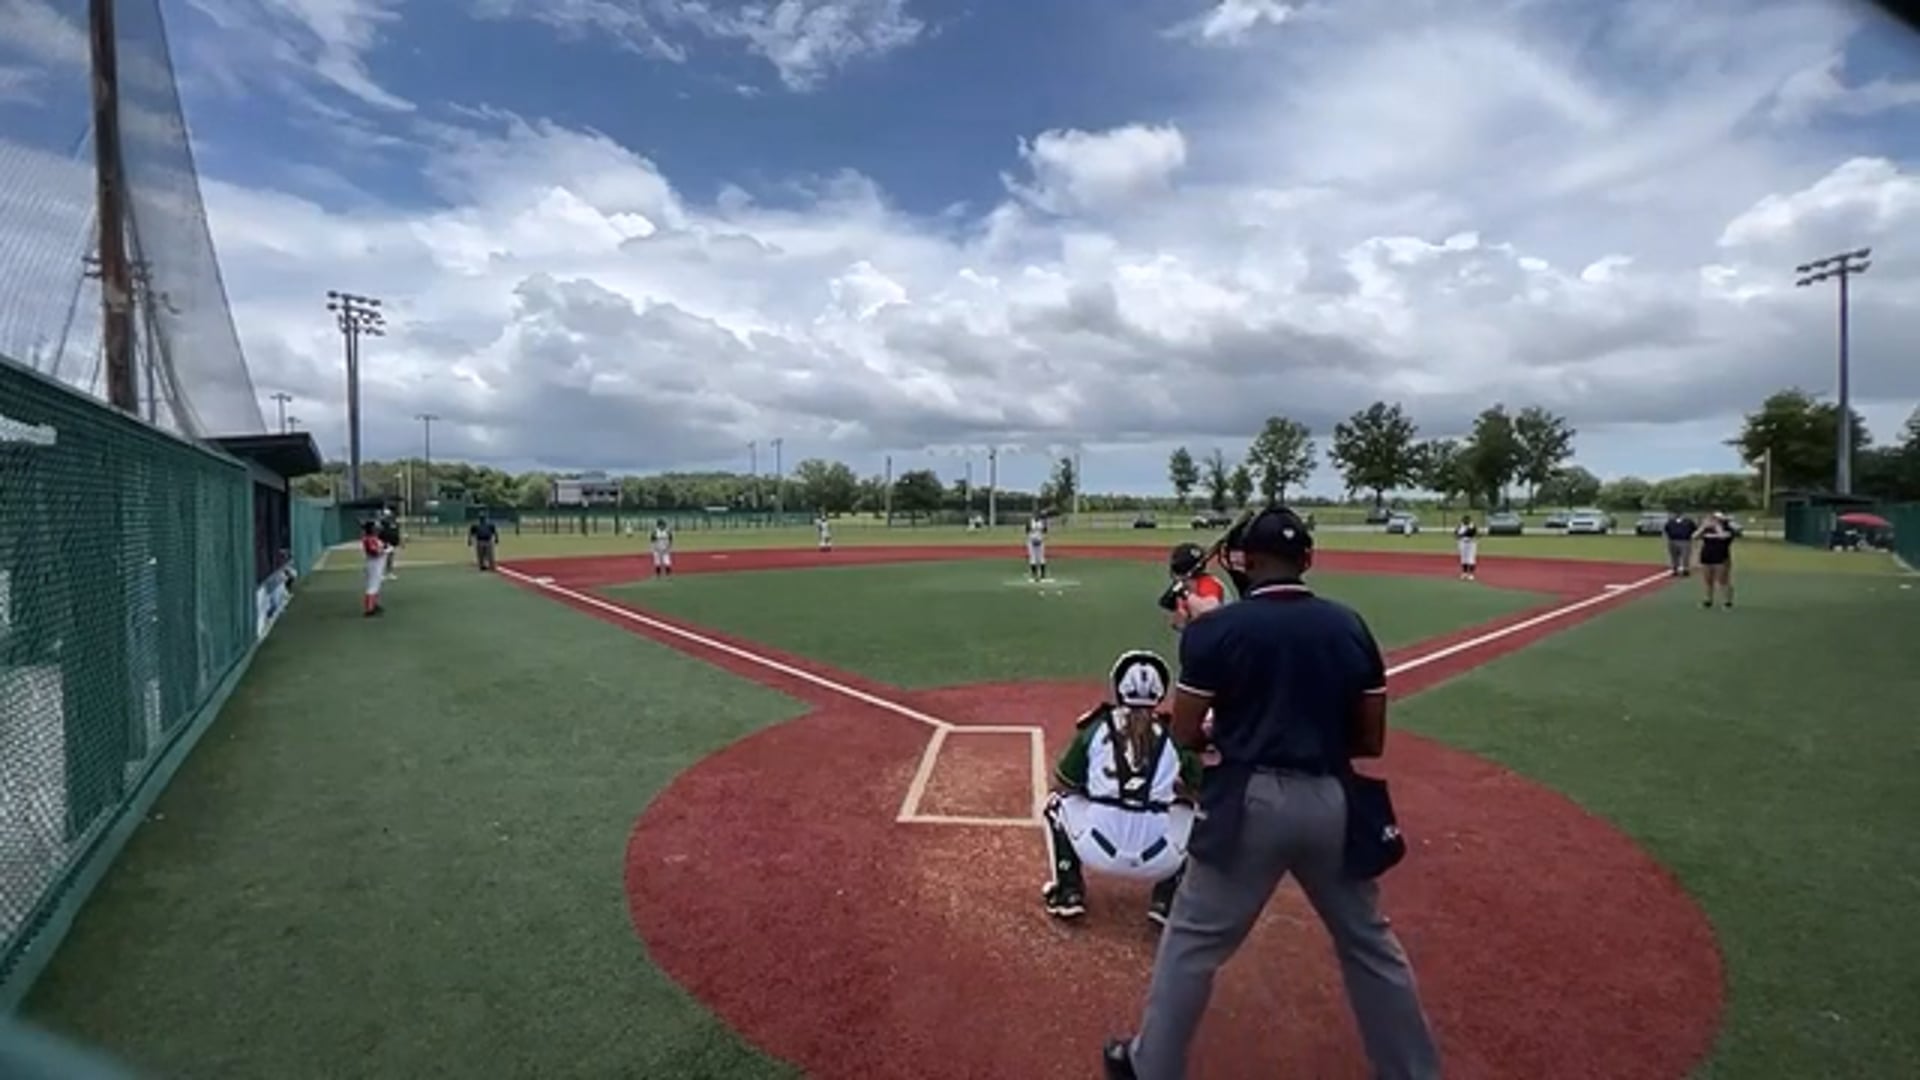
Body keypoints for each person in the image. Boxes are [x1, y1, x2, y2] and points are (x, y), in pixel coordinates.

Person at [1103, 506, 1440, 1080]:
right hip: (1333, 800)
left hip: (1248, 804)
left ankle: (1150, 1066)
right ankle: (1412, 1072)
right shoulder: (1349, 625)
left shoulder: (1217, 630)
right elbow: (1370, 740)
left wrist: (1234, 722)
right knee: (1369, 943)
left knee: (1192, 942)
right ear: (1306, 560)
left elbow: (1185, 731)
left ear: (1247, 561)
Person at [1042, 650, 1202, 927]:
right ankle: (1167, 900)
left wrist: (1100, 790)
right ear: (1160, 693)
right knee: (1198, 813)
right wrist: (1169, 791)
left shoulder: (1095, 727)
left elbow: (1064, 782)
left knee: (1056, 803)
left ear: (1118, 688)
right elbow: (1201, 788)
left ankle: (1068, 891)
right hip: (1161, 858)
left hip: (1096, 850)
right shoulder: (1175, 736)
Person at [1162, 542, 1228, 632]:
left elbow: (1209, 610)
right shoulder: (1184, 588)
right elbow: (1180, 624)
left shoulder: (1209, 583)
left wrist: (1185, 593)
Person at [1696, 511, 1737, 608]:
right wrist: (1703, 527)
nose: (1713, 521)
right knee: (1708, 580)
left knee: (1723, 580)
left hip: (1721, 557)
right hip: (1707, 557)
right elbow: (1694, 536)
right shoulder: (1707, 530)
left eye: (1716, 519)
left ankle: (1727, 601)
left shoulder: (1728, 530)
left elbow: (1723, 537)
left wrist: (1717, 527)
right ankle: (1708, 600)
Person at [359, 520, 388, 618]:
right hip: (373, 565)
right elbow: (374, 552)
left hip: (378, 565)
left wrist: (385, 547)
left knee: (376, 586)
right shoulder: (369, 539)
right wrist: (385, 551)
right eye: (375, 527)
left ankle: (374, 605)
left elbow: (380, 547)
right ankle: (369, 609)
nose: (377, 529)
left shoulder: (375, 538)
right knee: (372, 586)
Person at [1663, 511, 1697, 577]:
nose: (1677, 515)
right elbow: (1666, 530)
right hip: (1673, 540)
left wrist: (1690, 536)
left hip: (1685, 541)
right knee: (1674, 556)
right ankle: (1675, 569)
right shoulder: (1670, 522)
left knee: (1685, 556)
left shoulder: (1688, 522)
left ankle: (1685, 569)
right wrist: (1670, 537)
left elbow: (1694, 529)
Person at [377, 510, 402, 579]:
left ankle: (389, 573)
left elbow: (396, 533)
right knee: (382, 559)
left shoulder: (395, 523)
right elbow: (380, 533)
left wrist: (398, 541)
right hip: (384, 543)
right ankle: (380, 574)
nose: (389, 516)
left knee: (390, 558)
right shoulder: (383, 523)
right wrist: (382, 542)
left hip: (392, 543)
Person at [1454, 514, 1479, 581]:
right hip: (1462, 543)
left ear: (1469, 520)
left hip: (1471, 543)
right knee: (1463, 558)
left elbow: (1469, 532)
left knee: (1471, 558)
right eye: (1464, 520)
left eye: (1467, 520)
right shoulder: (1460, 525)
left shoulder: (1472, 525)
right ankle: (1464, 573)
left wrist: (1460, 535)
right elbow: (1455, 532)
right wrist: (1457, 535)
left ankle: (1471, 574)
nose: (1466, 521)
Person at [1026, 514, 1049, 582]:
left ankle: (1042, 574)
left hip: (1040, 541)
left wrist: (1044, 527)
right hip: (1031, 542)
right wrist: (1032, 537)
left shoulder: (1042, 522)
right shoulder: (1030, 522)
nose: (1036, 516)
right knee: (1032, 558)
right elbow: (1027, 531)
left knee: (1041, 558)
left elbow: (1045, 531)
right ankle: (1034, 574)